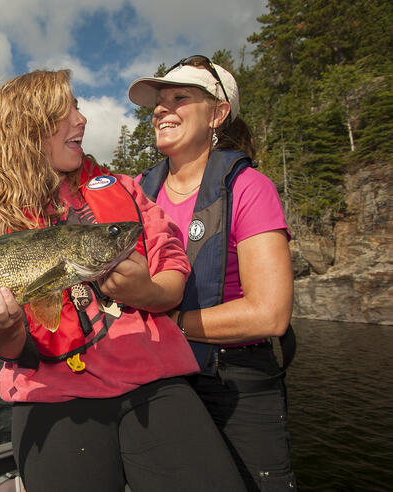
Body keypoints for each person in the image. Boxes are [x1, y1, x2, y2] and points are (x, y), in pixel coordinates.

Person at [0, 69, 244, 492]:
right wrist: (5, 329)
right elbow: (10, 350)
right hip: (51, 398)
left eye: (79, 105)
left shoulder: (126, 191)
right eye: (66, 109)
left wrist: (147, 291)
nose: (81, 118)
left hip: (153, 384)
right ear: (28, 129)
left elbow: (172, 278)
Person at [128, 55, 297, 491]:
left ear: (218, 113)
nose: (162, 110)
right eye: (158, 104)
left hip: (234, 382)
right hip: (159, 382)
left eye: (179, 98)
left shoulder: (248, 188)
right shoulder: (136, 194)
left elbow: (269, 314)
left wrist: (170, 324)